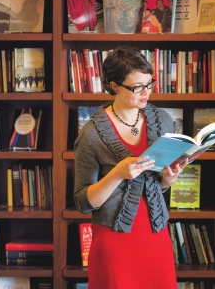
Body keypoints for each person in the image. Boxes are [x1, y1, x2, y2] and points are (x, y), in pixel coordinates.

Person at [74, 46, 186, 288]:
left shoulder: (162, 120)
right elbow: (83, 202)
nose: (146, 93)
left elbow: (157, 186)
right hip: (114, 239)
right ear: (114, 86)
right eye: (137, 87)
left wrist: (168, 179)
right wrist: (117, 174)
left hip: (156, 234)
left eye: (149, 84)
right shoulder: (91, 134)